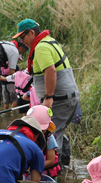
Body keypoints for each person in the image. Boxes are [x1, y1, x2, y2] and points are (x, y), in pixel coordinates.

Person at [14, 19, 80, 148]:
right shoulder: (49, 41)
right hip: (66, 96)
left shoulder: (41, 47)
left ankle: (56, 166)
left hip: (58, 99)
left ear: (31, 33)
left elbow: (50, 70)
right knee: (58, 132)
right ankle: (63, 164)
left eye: (22, 37)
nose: (22, 42)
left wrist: (48, 97)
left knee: (51, 136)